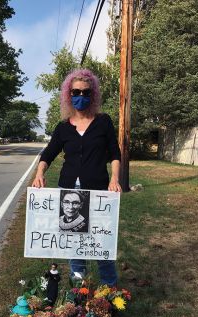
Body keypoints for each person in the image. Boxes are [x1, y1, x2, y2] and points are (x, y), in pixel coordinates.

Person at [32, 68, 122, 287]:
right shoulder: (63, 127)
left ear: (93, 95)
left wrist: (114, 179)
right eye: (76, 92)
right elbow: (49, 153)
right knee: (75, 244)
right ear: (68, 94)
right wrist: (39, 174)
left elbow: (114, 154)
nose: (80, 96)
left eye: (86, 92)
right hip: (69, 192)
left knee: (101, 242)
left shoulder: (103, 122)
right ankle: (78, 290)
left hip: (99, 190)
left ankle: (110, 289)